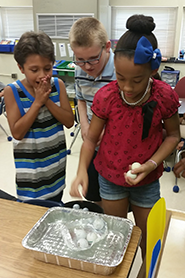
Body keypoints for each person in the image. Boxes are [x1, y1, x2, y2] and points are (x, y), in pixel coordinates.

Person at [70, 14, 180, 259]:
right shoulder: (107, 96)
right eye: (120, 78)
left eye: (137, 80)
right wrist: (80, 170)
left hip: (148, 179)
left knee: (149, 240)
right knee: (115, 236)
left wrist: (151, 164)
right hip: (109, 176)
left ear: (153, 70)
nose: (127, 88)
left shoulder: (163, 96)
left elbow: (173, 136)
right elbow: (90, 139)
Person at [4, 31, 74, 202]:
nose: (43, 75)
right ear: (21, 68)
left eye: (48, 68)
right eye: (34, 70)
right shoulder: (12, 91)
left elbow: (69, 121)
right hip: (31, 176)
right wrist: (37, 103)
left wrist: (46, 100)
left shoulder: (58, 85)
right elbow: (17, 133)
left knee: (56, 206)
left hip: (56, 169)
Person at [69, 17, 116, 205]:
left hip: (116, 146)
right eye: (80, 60)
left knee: (114, 198)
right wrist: (85, 125)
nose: (87, 67)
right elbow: (80, 99)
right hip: (93, 144)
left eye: (93, 59)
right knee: (94, 195)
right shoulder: (80, 70)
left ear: (107, 47)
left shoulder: (121, 71)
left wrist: (107, 131)